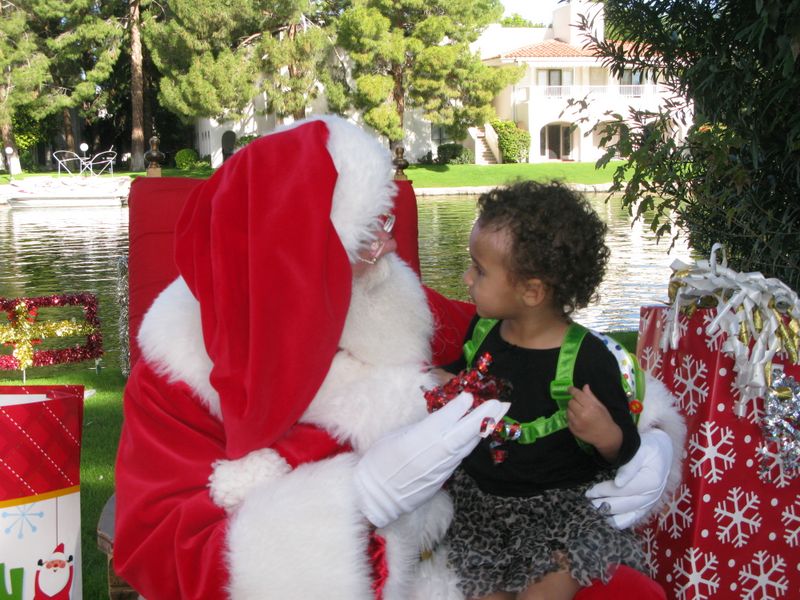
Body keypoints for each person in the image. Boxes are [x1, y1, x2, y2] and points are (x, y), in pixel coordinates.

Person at [114, 116, 682, 599]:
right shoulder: (177, 370)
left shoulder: (382, 301)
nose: (387, 247)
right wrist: (360, 501)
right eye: (365, 235)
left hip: (460, 558)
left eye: (382, 223)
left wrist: (642, 428)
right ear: (292, 257)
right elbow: (158, 549)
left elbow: (539, 342)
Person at [434, 181, 679, 600]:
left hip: (561, 515)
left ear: (531, 291)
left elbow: (624, 449)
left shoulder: (588, 359)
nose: (466, 277)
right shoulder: (483, 332)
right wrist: (442, 382)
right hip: (482, 509)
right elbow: (459, 378)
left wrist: (607, 434)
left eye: (479, 269)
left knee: (543, 594)